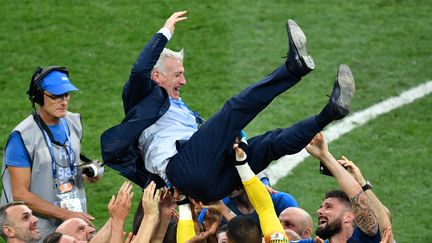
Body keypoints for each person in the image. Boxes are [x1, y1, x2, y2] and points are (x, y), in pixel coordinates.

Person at [100, 11, 355, 203]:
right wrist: (165, 30)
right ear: (157, 77)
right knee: (234, 110)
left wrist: (240, 149)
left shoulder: (182, 110)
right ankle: (293, 68)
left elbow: (213, 138)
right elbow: (139, 69)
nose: (184, 81)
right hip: (183, 168)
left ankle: (330, 112)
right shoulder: (140, 97)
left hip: (208, 185)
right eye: (177, 74)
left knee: (269, 144)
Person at [1, 66, 96, 239]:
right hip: (39, 231)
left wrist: (83, 172)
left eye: (66, 95)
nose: (64, 101)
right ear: (38, 97)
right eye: (56, 96)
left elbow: (60, 167)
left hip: (74, 227)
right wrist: (65, 214)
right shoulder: (22, 137)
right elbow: (20, 194)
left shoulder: (73, 123)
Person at [301, 132, 381, 242]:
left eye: (328, 207)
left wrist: (325, 157)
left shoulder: (362, 239)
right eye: (322, 207)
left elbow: (358, 197)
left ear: (348, 216)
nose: (319, 211)